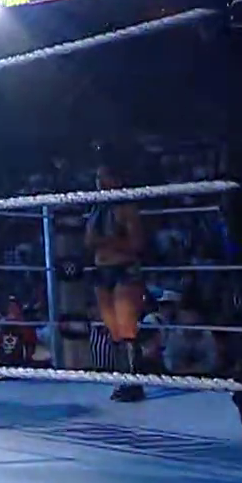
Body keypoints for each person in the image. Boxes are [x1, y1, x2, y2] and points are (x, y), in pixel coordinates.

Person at [85, 164, 148, 402]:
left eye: (104, 177)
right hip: (102, 269)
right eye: (97, 177)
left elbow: (137, 243)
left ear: (117, 179)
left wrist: (105, 241)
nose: (99, 182)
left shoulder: (127, 208)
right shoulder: (96, 208)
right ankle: (123, 381)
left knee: (127, 328)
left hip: (124, 269)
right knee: (113, 331)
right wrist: (100, 242)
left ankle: (134, 383)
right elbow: (88, 241)